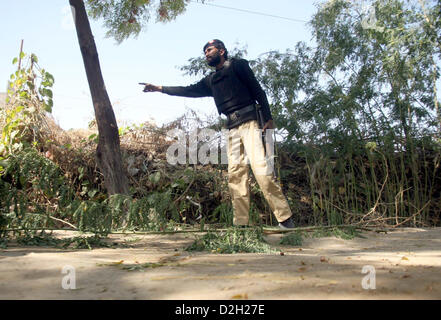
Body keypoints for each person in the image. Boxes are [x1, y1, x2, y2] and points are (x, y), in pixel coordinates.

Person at [141, 39, 294, 229]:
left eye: (209, 50)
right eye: (204, 51)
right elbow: (187, 90)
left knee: (261, 169)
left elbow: (258, 90)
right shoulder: (211, 81)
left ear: (221, 51)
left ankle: (285, 219)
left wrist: (268, 118)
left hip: (250, 123)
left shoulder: (238, 66)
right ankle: (241, 224)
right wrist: (160, 89)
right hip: (232, 128)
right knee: (236, 175)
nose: (206, 53)